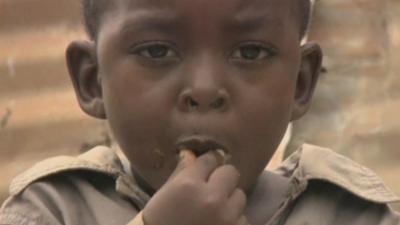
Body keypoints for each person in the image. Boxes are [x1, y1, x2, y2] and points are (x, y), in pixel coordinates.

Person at [1, 0, 399, 224]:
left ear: (301, 82)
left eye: (250, 52)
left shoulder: (353, 216)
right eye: (157, 51)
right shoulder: (50, 210)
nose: (205, 90)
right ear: (92, 80)